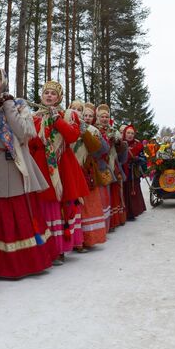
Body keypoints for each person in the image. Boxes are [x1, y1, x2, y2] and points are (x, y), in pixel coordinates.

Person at [0, 67, 53, 278]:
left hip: (19, 166)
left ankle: (27, 263)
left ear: (3, 83)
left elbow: (27, 132)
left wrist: (8, 106)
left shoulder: (19, 104)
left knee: (21, 213)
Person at [29, 81, 89, 264]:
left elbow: (72, 136)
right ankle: (44, 247)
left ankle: (60, 248)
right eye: (46, 93)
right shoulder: (34, 118)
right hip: (41, 166)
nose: (48, 96)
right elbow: (31, 143)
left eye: (53, 94)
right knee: (43, 206)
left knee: (58, 205)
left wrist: (57, 119)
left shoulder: (68, 115)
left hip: (62, 166)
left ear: (59, 98)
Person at [73, 102, 108, 248]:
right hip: (70, 169)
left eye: (88, 115)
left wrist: (87, 135)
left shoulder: (93, 130)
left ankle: (88, 237)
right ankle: (74, 239)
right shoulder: (66, 125)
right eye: (75, 109)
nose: (84, 116)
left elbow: (102, 150)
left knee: (87, 205)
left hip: (86, 170)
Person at [122, 125, 147, 220]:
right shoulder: (120, 143)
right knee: (125, 191)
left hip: (134, 171)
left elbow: (144, 158)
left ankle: (134, 211)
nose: (130, 135)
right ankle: (126, 213)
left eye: (132, 133)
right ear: (124, 133)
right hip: (124, 170)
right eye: (128, 133)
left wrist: (137, 159)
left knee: (134, 190)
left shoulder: (138, 145)